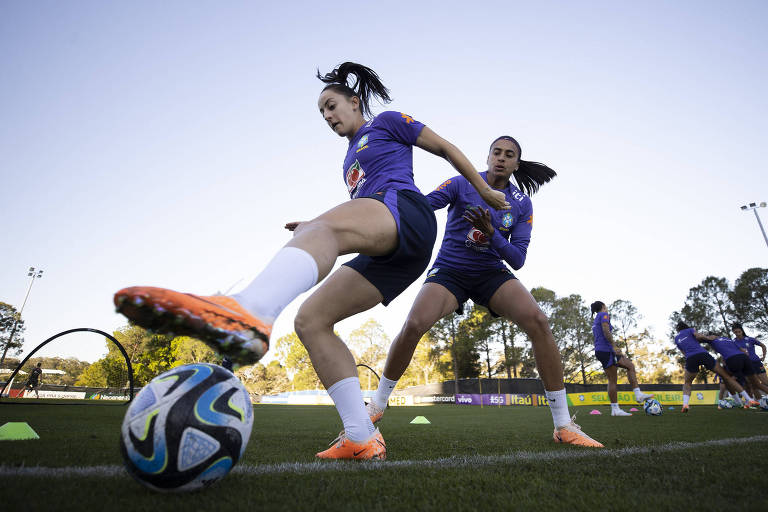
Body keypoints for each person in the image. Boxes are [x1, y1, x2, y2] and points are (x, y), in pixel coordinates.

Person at [114, 62, 510, 461]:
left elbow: (444, 147)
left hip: (408, 212)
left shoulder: (388, 122)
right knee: (311, 319)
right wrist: (323, 228)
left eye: (332, 105)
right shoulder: (347, 163)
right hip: (390, 248)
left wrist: (482, 189)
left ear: (355, 102)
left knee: (320, 230)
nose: (328, 116)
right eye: (322, 112)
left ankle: (247, 312)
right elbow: (361, 221)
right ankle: (361, 436)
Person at [366, 135, 604, 447]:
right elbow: (420, 208)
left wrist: (492, 235)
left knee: (539, 322)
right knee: (413, 324)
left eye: (509, 155)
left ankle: (563, 425)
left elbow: (517, 259)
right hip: (450, 270)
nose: (501, 158)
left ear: (516, 164)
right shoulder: (461, 183)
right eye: (497, 152)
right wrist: (371, 214)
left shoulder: (521, 204)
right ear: (488, 156)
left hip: (491, 273)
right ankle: (376, 406)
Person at [589, 301, 654, 416]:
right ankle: (616, 409)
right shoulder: (604, 315)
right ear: (603, 307)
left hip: (601, 350)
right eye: (606, 306)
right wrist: (614, 346)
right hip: (606, 350)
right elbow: (605, 330)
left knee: (629, 366)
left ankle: (636, 395)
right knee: (614, 379)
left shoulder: (595, 320)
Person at [673, 321, 754, 412]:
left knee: (687, 383)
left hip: (690, 358)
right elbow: (698, 336)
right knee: (726, 377)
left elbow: (684, 353)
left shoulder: (676, 338)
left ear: (678, 330)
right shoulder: (689, 330)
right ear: (686, 327)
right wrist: (708, 337)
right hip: (703, 354)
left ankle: (685, 404)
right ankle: (749, 400)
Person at [707, 333, 768, 402]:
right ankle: (757, 402)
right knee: (753, 384)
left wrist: (763, 356)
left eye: (738, 331)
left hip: (739, 361)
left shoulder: (748, 339)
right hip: (745, 359)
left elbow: (761, 346)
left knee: (729, 380)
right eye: (735, 332)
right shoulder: (730, 340)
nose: (737, 333)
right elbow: (744, 351)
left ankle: (743, 401)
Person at [732, 323, 767, 391]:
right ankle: (758, 401)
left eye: (739, 331)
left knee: (765, 382)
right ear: (733, 332)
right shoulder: (733, 342)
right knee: (751, 385)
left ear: (742, 331)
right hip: (745, 366)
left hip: (756, 363)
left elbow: (763, 346)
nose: (738, 334)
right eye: (735, 332)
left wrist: (764, 357)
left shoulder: (750, 339)